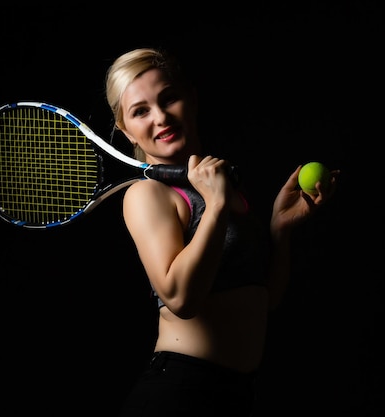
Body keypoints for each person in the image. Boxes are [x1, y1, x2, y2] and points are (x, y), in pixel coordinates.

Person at [105, 47, 339, 416]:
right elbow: (181, 299)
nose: (161, 117)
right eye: (140, 111)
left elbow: (264, 298)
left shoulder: (216, 186)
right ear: (124, 128)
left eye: (170, 98)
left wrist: (279, 228)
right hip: (179, 394)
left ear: (191, 99)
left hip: (236, 395)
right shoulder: (146, 194)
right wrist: (214, 205)